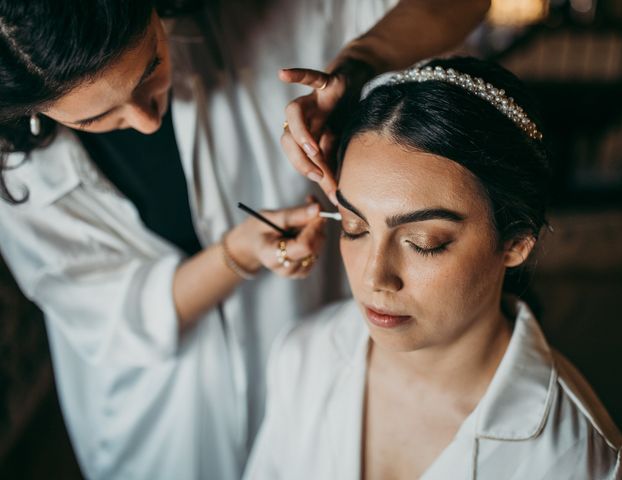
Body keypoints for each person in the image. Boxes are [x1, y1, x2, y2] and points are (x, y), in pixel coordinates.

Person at [0, 1, 490, 479]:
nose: (147, 119)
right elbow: (112, 318)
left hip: (307, 373)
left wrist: (362, 62)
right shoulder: (14, 175)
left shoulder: (252, 16)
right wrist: (238, 254)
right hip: (157, 423)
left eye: (151, 65)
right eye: (94, 118)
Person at [245, 57, 622, 479]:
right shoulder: (304, 356)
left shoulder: (577, 458)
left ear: (516, 244)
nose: (374, 277)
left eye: (423, 244)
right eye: (355, 228)